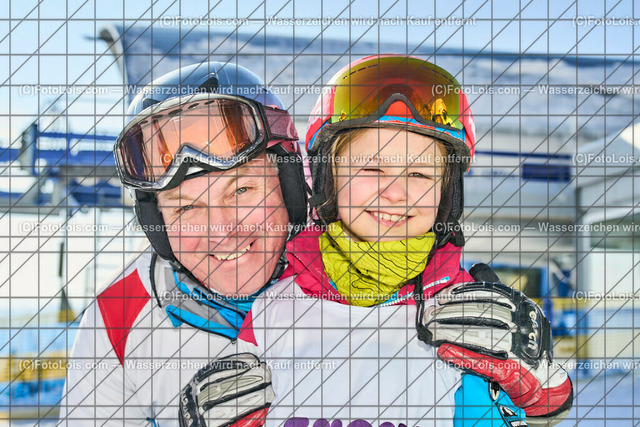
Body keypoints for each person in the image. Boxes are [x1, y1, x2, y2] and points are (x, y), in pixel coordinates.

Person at [180, 55, 573, 427]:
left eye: (419, 174)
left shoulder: (473, 315)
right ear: (328, 179)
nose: (395, 193)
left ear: (446, 194)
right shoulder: (271, 309)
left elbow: (517, 413)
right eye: (371, 168)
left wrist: (542, 391)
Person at [58, 61, 308, 427]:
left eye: (241, 190)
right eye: (186, 208)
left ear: (288, 185)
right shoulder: (117, 318)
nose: (222, 231)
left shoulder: (360, 276)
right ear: (158, 223)